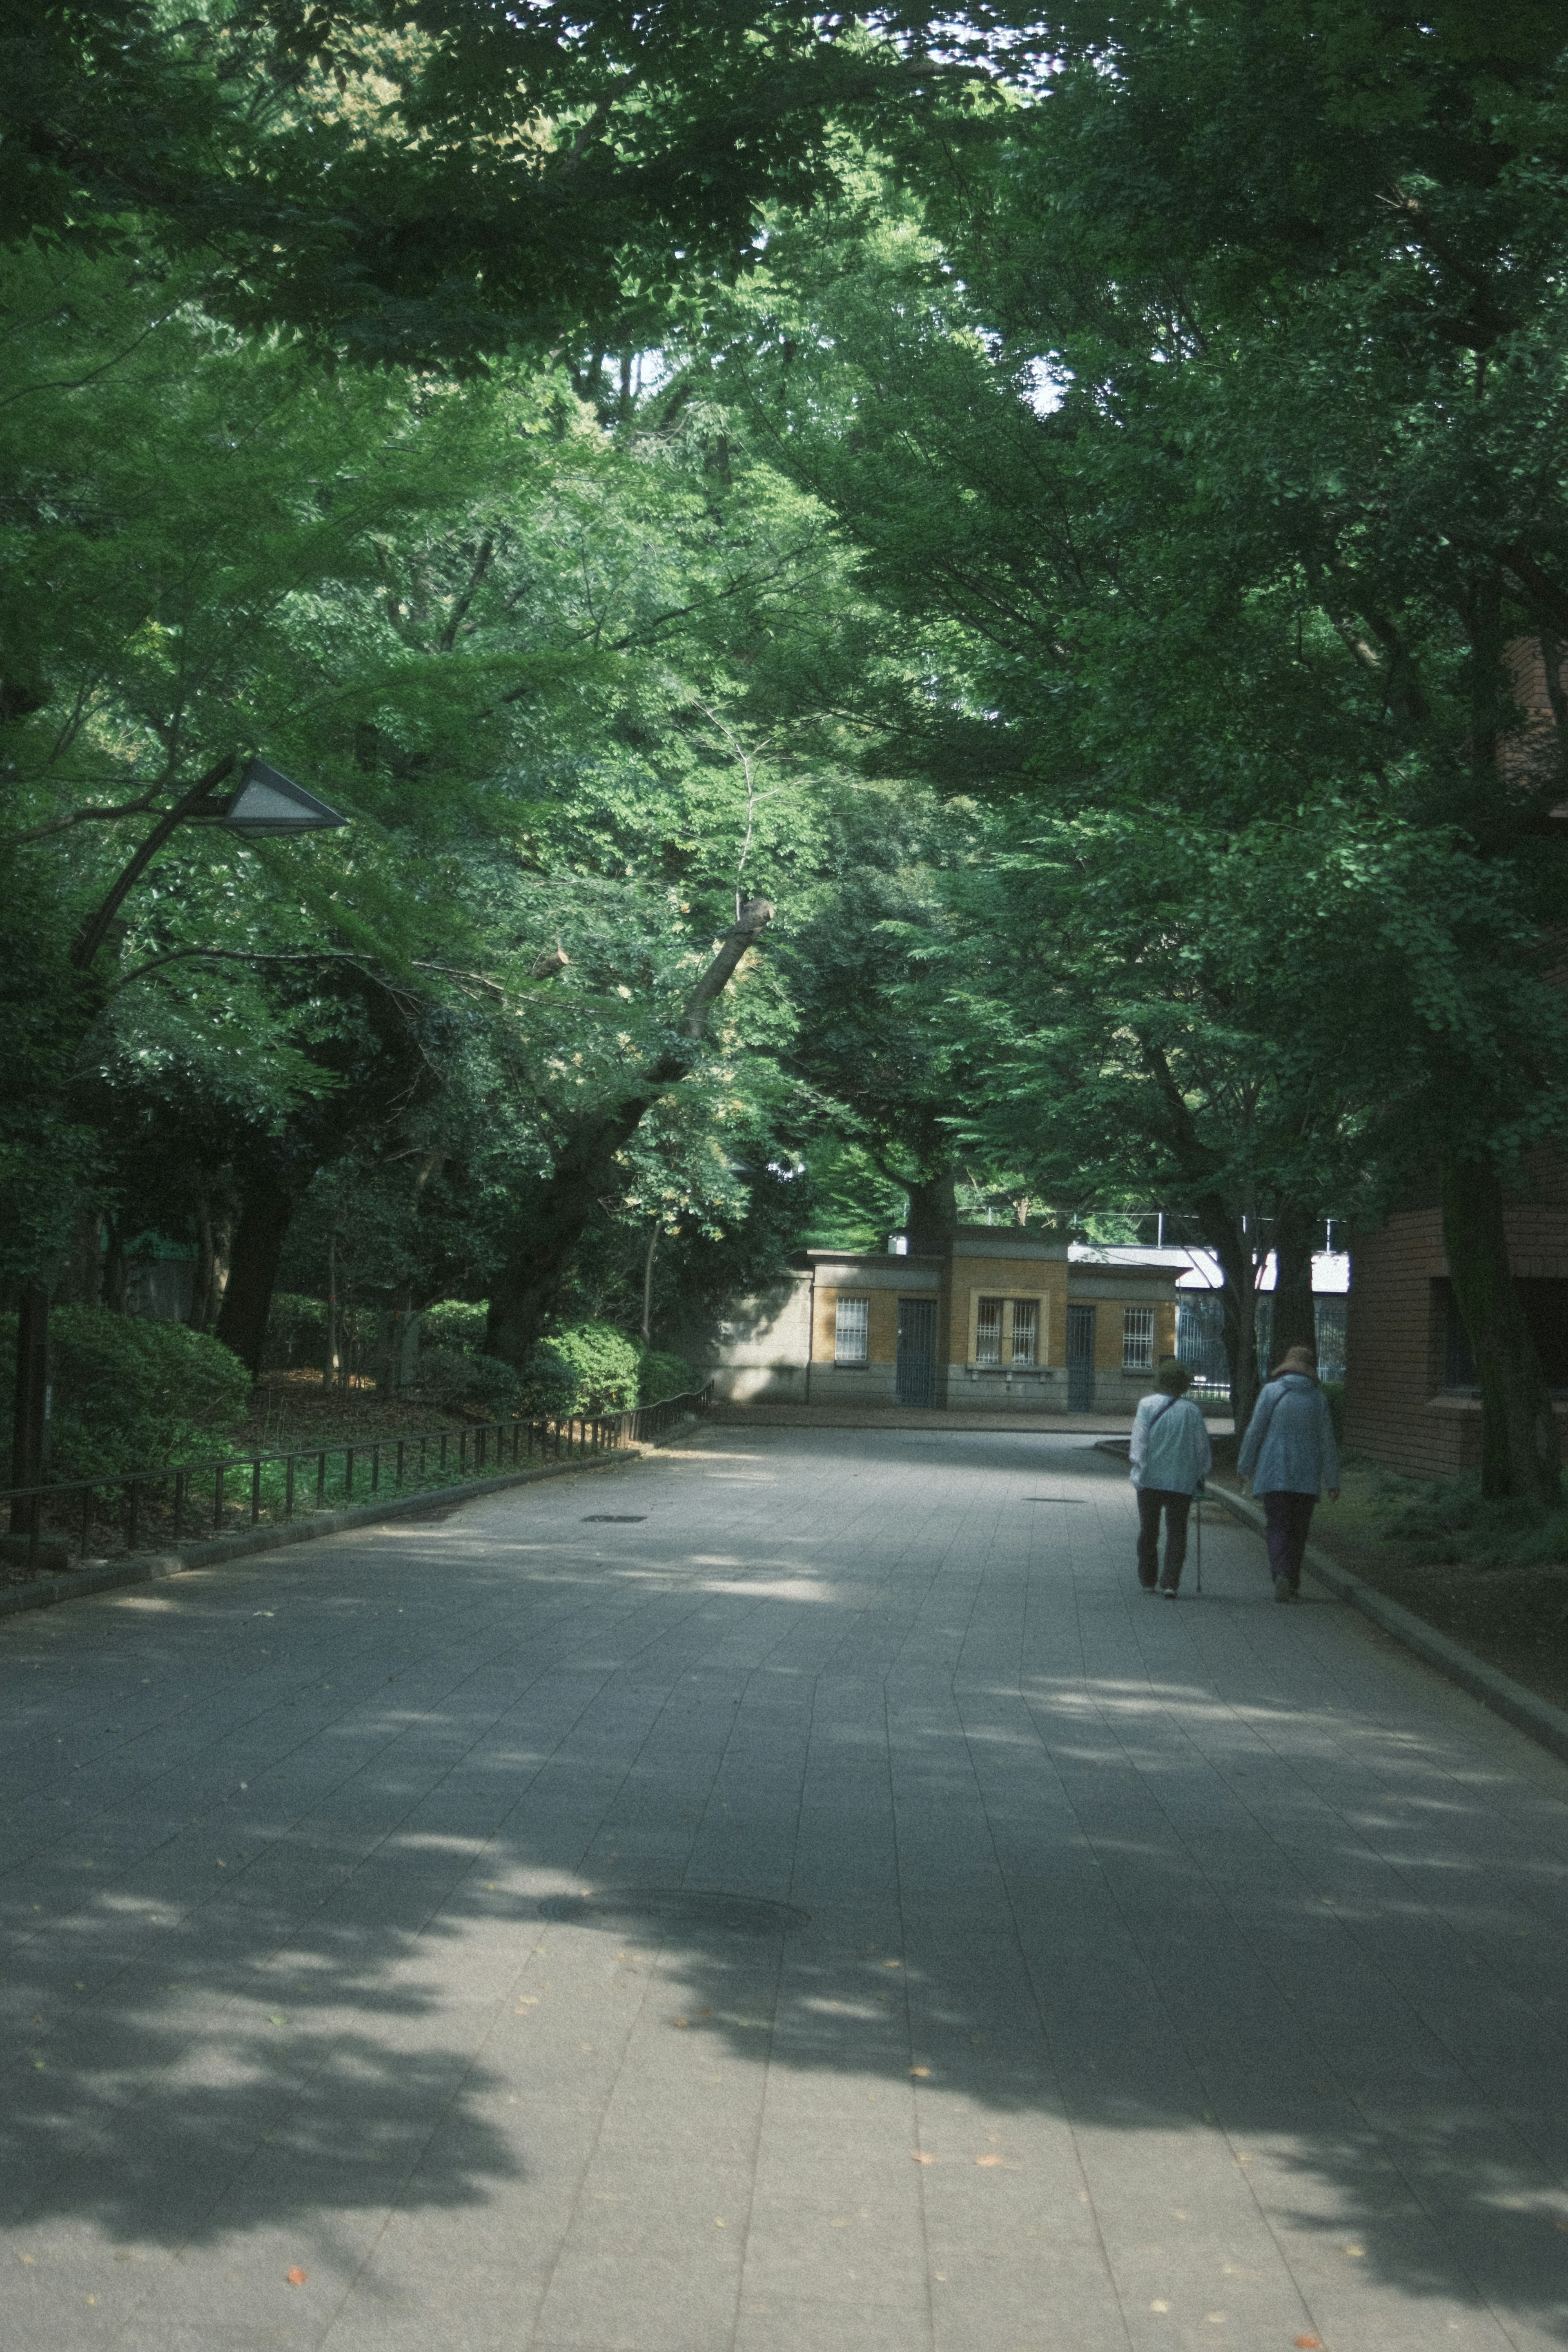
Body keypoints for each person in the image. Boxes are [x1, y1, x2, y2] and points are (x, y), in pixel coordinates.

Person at [1236, 1343, 1341, 1603]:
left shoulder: (1271, 1392)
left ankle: (1281, 1574)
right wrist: (1333, 1481)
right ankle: (1292, 1581)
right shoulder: (1318, 1399)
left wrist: (1244, 1467)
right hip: (1306, 1477)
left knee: (1278, 1527)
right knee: (1299, 1530)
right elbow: (1328, 1441)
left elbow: (1255, 1431)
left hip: (1275, 1473)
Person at [1129, 1357, 1213, 1599]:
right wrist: (1201, 1472)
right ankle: (1171, 1582)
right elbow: (1202, 1449)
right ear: (1184, 1384)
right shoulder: (1192, 1411)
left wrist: (1139, 1467)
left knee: (1149, 1530)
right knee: (1177, 1531)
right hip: (1181, 1481)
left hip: (1150, 1480)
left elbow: (1139, 1442)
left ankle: (1148, 1578)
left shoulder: (1147, 1406)